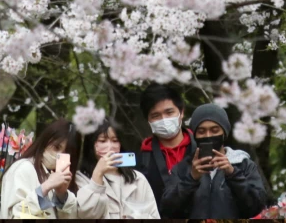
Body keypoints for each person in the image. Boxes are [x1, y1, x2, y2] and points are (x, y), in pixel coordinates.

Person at [162, 103, 268, 219]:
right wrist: (191, 179)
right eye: (201, 131)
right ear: (195, 135)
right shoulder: (183, 168)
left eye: (214, 130)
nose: (208, 135)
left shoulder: (244, 165)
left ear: (224, 133)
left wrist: (233, 174)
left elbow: (257, 206)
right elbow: (167, 209)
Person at [76, 119, 160, 219]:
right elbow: (88, 215)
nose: (110, 147)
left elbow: (154, 216)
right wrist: (98, 173)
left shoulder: (138, 178)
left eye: (115, 141)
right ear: (91, 145)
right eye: (102, 141)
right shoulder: (80, 178)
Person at [0, 119, 81, 219]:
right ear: (45, 142)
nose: (59, 155)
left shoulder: (53, 175)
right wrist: (45, 188)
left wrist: (62, 195)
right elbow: (16, 214)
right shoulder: (23, 168)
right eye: (56, 147)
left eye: (66, 152)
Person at [136, 84, 195, 216]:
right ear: (148, 121)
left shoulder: (203, 149)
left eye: (169, 112)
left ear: (182, 112)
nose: (164, 119)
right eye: (156, 115)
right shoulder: (141, 161)